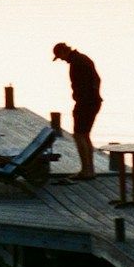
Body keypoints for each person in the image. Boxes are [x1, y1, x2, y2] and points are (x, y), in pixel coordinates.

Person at [51, 42, 101, 179]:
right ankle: (90, 170)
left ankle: (86, 171)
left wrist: (80, 99)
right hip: (92, 102)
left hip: (86, 103)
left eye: (60, 56)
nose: (61, 59)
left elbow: (84, 85)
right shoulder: (82, 59)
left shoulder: (77, 62)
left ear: (64, 51)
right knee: (85, 135)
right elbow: (97, 80)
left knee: (79, 135)